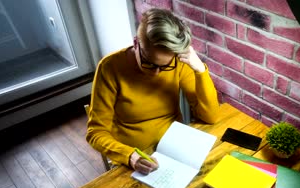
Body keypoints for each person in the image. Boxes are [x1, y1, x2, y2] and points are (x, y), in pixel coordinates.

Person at [86, 8, 220, 175]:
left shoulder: (178, 62)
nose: (156, 72)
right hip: (132, 156)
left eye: (165, 66)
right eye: (150, 63)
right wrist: (130, 156)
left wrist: (200, 70)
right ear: (136, 43)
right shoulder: (110, 67)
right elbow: (95, 132)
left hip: (174, 149)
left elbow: (211, 116)